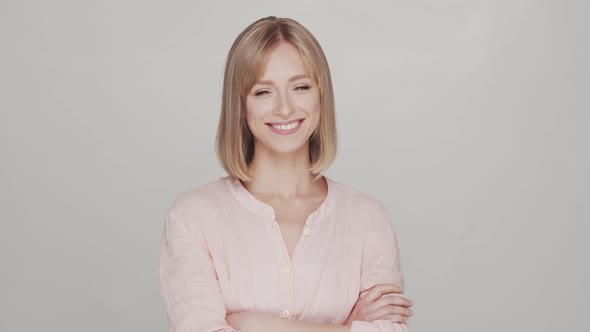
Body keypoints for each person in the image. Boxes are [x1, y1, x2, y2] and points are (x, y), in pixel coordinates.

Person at [158, 16, 414, 332]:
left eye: (300, 87)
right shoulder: (192, 218)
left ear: (322, 95)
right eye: (263, 92)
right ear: (240, 105)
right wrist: (348, 328)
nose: (284, 109)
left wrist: (254, 324)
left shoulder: (366, 217)